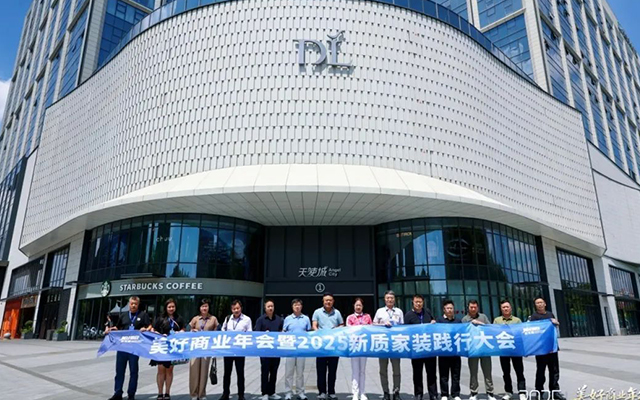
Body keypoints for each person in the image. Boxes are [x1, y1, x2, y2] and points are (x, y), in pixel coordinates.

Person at [106, 296, 152, 400]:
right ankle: (118, 393)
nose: (133, 305)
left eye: (135, 304)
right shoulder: (123, 315)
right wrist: (110, 330)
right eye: (132, 303)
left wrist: (146, 329)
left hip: (134, 348)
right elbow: (117, 328)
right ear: (129, 304)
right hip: (122, 347)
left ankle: (131, 394)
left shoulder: (143, 315)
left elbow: (149, 326)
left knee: (133, 372)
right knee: (119, 371)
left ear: (138, 304)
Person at [528, 297, 564, 400]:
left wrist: (556, 322)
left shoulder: (550, 314)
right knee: (540, 371)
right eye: (537, 303)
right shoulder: (534, 317)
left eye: (541, 302)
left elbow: (555, 327)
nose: (539, 304)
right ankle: (539, 391)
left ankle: (554, 391)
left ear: (545, 304)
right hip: (540, 349)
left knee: (554, 371)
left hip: (552, 347)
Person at [151, 298, 186, 400]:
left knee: (169, 371)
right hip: (162, 347)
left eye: (173, 307)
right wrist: (160, 335)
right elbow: (153, 330)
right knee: (161, 371)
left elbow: (183, 328)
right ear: (166, 308)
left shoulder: (179, 318)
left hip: (173, 348)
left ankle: (167, 393)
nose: (171, 308)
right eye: (169, 307)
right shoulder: (160, 318)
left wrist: (180, 332)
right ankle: (160, 393)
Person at [404, 294, 436, 400]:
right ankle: (418, 394)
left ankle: (433, 394)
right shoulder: (408, 315)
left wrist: (433, 322)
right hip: (416, 348)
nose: (418, 304)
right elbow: (405, 331)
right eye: (416, 302)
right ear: (412, 302)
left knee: (431, 372)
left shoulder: (427, 312)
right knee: (417, 373)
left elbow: (433, 323)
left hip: (429, 347)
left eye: (420, 302)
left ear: (423, 302)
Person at [373, 290, 404, 400]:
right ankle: (385, 392)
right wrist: (382, 324)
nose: (389, 300)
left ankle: (396, 392)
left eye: (391, 298)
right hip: (383, 344)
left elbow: (403, 327)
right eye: (387, 298)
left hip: (395, 344)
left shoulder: (399, 311)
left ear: (394, 299)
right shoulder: (380, 311)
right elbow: (374, 324)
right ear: (384, 299)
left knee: (397, 370)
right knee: (383, 370)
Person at [312, 292, 344, 400]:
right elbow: (314, 325)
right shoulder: (317, 312)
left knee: (332, 370)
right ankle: (322, 392)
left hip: (334, 346)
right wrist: (319, 333)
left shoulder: (337, 313)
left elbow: (341, 325)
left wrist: (336, 330)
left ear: (333, 301)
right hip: (321, 346)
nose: (328, 302)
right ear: (323, 301)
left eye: (330, 300)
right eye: (326, 300)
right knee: (321, 370)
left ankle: (331, 392)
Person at [461, 300, 495, 400]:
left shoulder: (483, 317)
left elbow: (489, 328)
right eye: (471, 307)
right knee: (473, 372)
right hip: (473, 349)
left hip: (484, 348)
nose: (473, 309)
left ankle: (490, 392)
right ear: (468, 308)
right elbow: (462, 332)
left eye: (475, 307)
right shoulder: (464, 319)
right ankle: (474, 392)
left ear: (478, 308)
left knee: (487, 371)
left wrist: (479, 323)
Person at [493, 300, 526, 400]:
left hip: (516, 350)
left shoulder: (517, 320)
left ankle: (522, 392)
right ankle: (508, 392)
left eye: (507, 307)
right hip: (503, 350)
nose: (505, 309)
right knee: (506, 372)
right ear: (501, 309)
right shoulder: (497, 320)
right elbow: (493, 333)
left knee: (519, 371)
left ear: (511, 308)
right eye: (503, 307)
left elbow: (522, 334)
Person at [220, 299, 252, 400]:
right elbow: (222, 331)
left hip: (240, 350)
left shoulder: (247, 319)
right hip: (228, 350)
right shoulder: (227, 318)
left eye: (237, 308)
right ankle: (225, 393)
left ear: (241, 308)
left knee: (240, 373)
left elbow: (250, 333)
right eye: (234, 309)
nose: (236, 310)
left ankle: (241, 395)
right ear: (231, 309)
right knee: (227, 373)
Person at [188, 299, 219, 400]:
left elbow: (218, 332)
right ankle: (193, 394)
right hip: (195, 348)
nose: (204, 308)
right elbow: (188, 330)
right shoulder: (195, 319)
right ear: (199, 308)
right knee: (194, 370)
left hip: (207, 348)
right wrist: (192, 330)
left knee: (204, 371)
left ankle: (202, 394)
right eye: (202, 306)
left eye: (206, 306)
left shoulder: (213, 319)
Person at [255, 299, 285, 400]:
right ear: (265, 308)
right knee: (265, 371)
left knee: (274, 371)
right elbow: (256, 334)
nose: (270, 308)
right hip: (264, 351)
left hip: (276, 351)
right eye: (268, 306)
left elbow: (282, 332)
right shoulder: (260, 320)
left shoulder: (279, 319)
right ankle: (264, 393)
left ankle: (272, 392)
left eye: (272, 306)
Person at [283, 298, 311, 400]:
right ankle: (288, 393)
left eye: (299, 305)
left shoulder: (306, 319)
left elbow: (309, 332)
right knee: (289, 372)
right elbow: (284, 332)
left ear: (301, 306)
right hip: (290, 349)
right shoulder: (287, 319)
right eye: (295, 305)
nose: (297, 307)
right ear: (292, 307)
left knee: (300, 373)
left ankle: (300, 392)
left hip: (301, 349)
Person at [346, 297, 373, 400]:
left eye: (360, 305)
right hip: (354, 347)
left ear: (362, 306)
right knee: (355, 371)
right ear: (354, 306)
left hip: (364, 346)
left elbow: (371, 329)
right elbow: (349, 331)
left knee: (362, 371)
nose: (358, 307)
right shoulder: (350, 318)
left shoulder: (367, 317)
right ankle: (355, 393)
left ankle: (362, 392)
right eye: (357, 305)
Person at [436, 299, 462, 400]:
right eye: (447, 308)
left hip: (455, 353)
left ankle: (455, 394)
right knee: (444, 375)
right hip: (443, 352)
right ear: (444, 309)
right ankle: (444, 394)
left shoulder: (458, 321)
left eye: (451, 308)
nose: (449, 310)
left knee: (456, 374)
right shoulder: (439, 321)